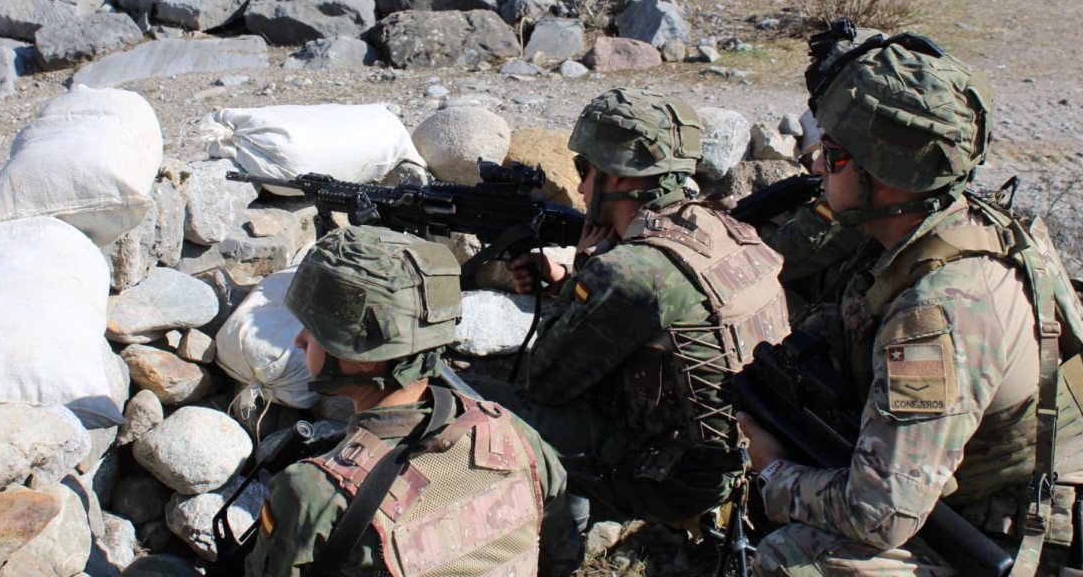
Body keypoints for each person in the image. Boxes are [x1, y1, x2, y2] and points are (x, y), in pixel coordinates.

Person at [737, 28, 1083, 575]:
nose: (817, 166)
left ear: (885, 180)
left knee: (796, 560)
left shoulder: (934, 317)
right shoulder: (955, 225)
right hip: (992, 497)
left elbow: (879, 513)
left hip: (1019, 543)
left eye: (834, 155)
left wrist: (772, 476)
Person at [491, 87, 791, 526]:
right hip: (754, 458)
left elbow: (545, 381)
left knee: (476, 406)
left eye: (584, 168)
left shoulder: (629, 271)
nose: (577, 185)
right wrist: (565, 285)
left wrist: (580, 276)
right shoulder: (722, 229)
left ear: (619, 176)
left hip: (677, 483)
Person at [245, 225, 583, 577]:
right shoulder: (517, 440)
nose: (300, 340)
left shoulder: (314, 494)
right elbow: (560, 558)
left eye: (314, 329)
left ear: (363, 356)